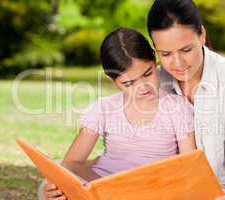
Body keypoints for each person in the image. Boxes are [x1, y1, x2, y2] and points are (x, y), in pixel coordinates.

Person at [39, 27, 197, 200]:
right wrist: (104, 189)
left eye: (147, 73)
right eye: (129, 83)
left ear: (155, 59)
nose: (143, 86)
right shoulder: (104, 109)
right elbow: (72, 163)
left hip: (152, 190)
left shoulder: (177, 108)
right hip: (103, 185)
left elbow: (188, 167)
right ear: (113, 80)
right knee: (48, 188)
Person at [147, 0, 225, 200]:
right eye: (166, 54)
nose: (177, 63)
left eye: (186, 50)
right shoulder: (154, 84)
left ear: (202, 35)